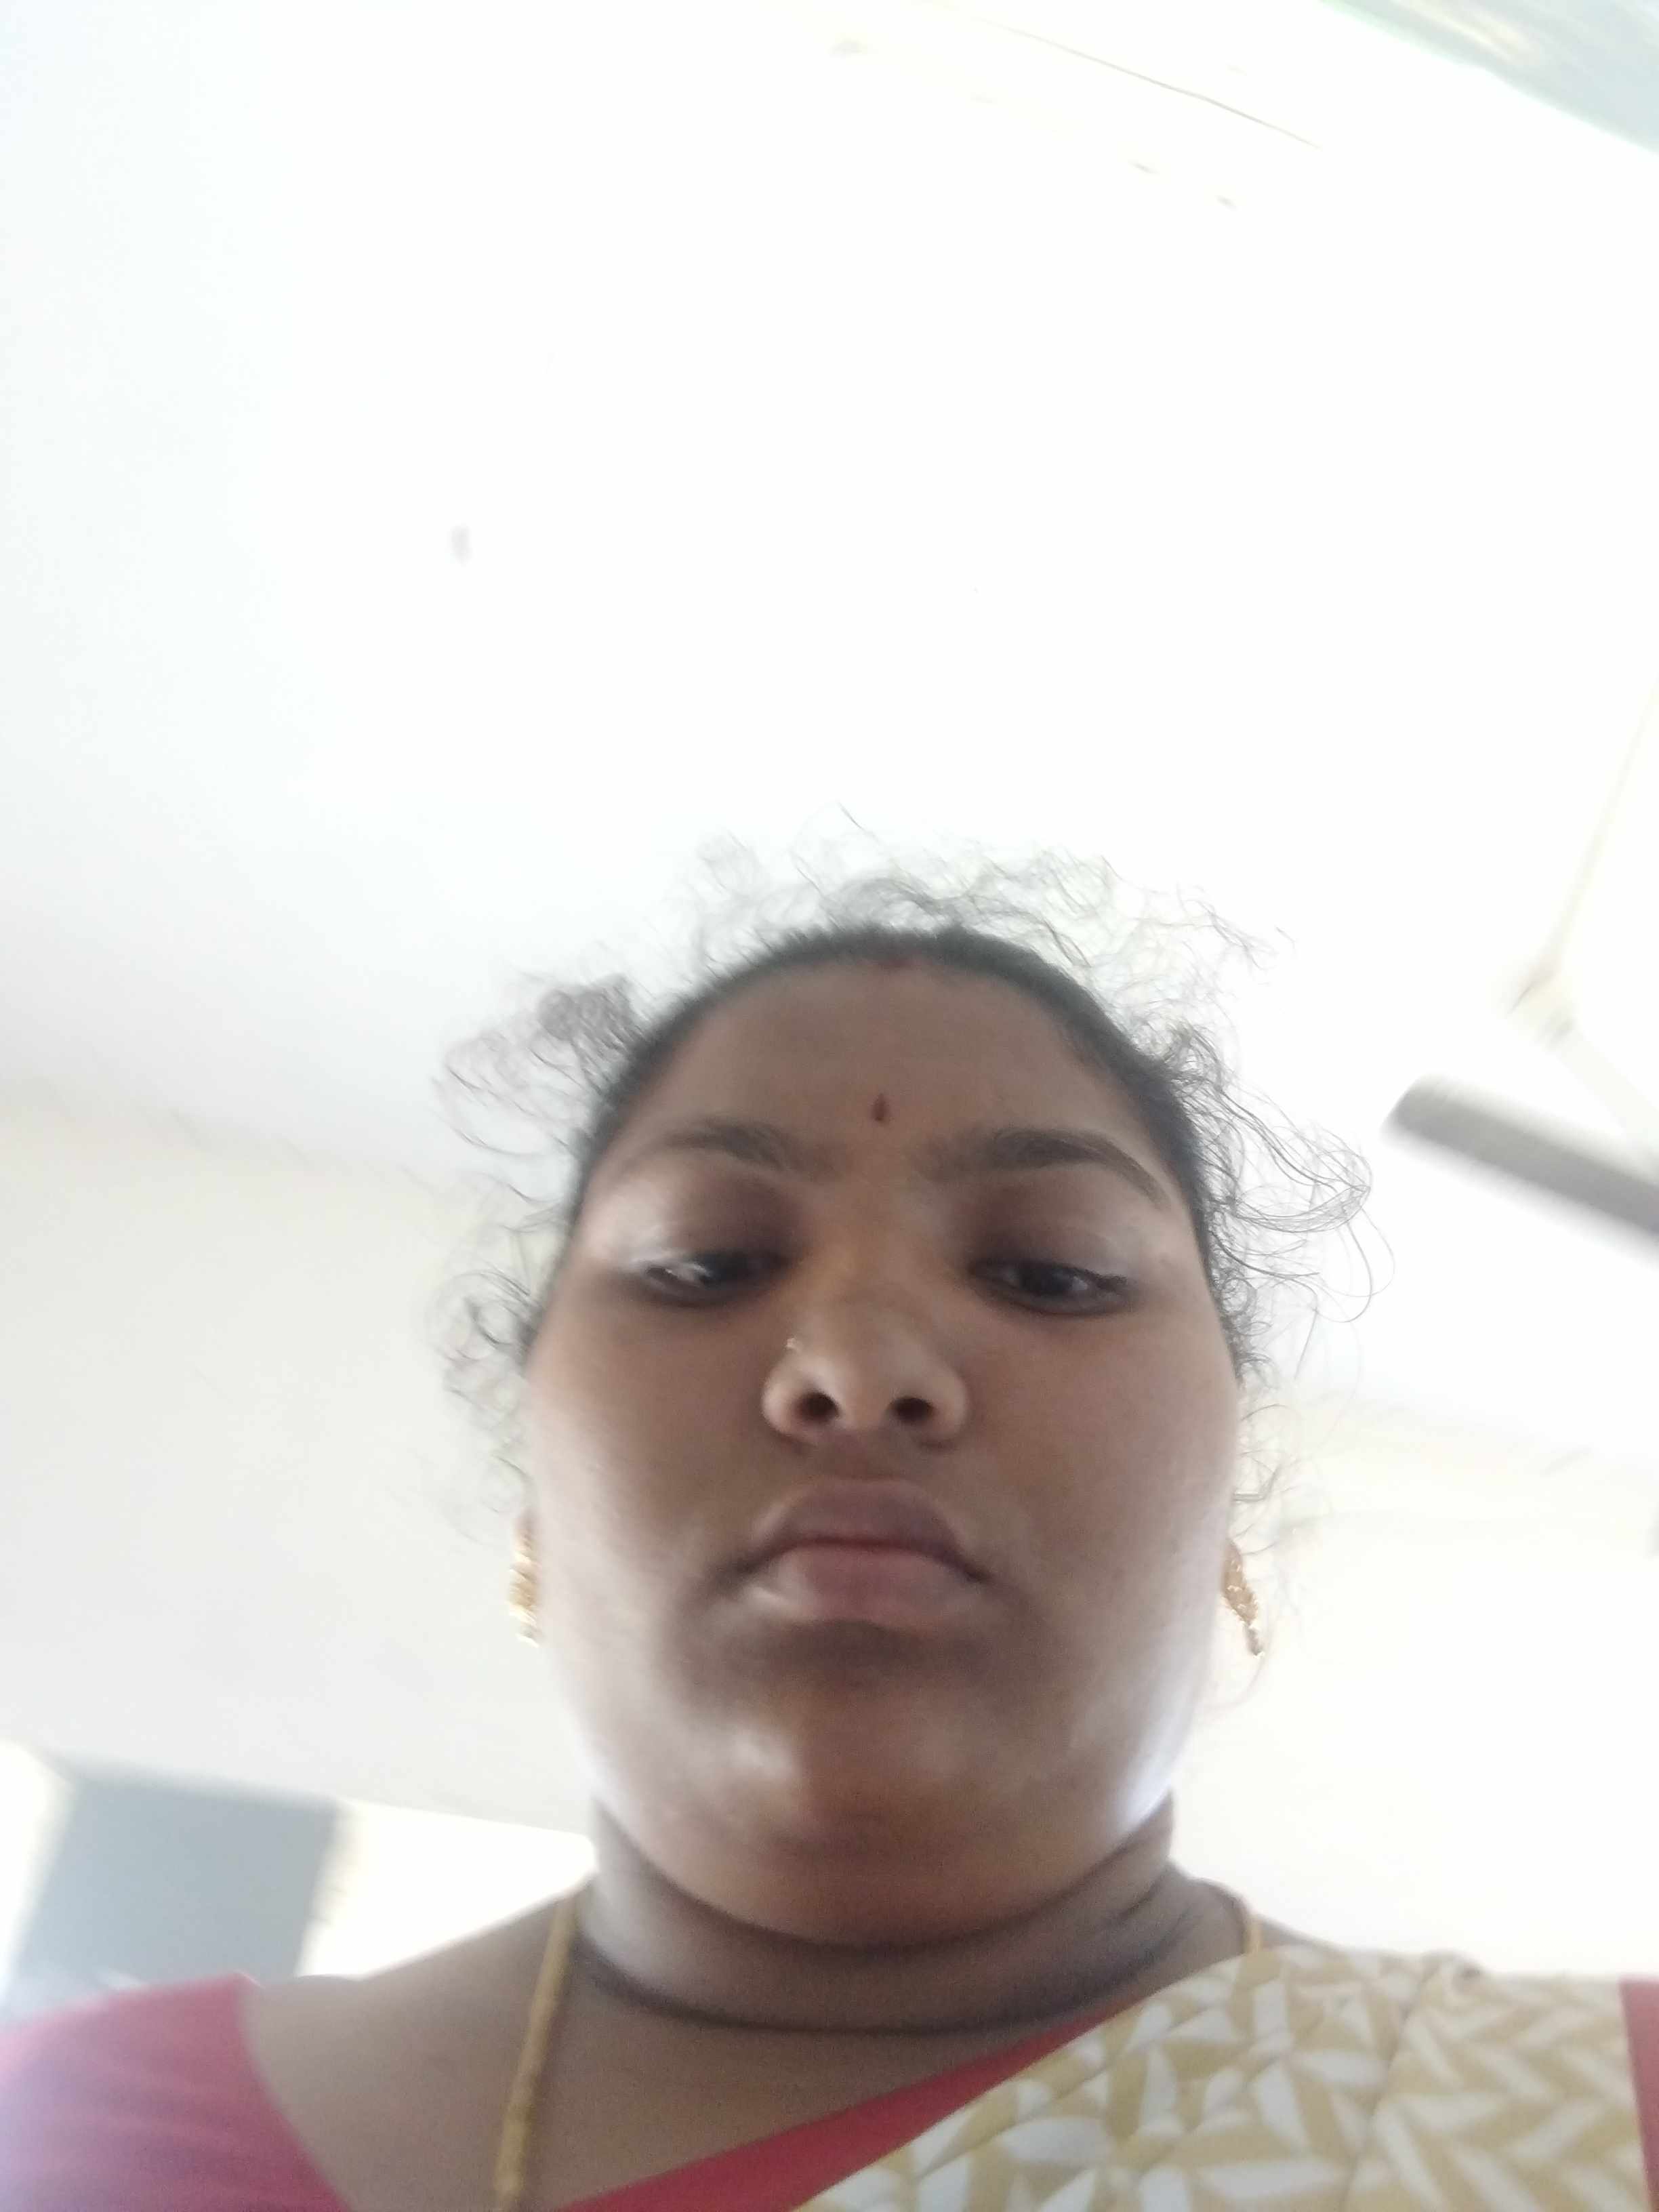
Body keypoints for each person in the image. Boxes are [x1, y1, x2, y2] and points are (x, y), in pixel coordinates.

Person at [3, 871, 1656, 2210]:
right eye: (703, 1264)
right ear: (533, 1500)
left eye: (1057, 1272)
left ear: (1229, 1500)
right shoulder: (81, 2147)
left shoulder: (1602, 2127)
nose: (858, 1364)